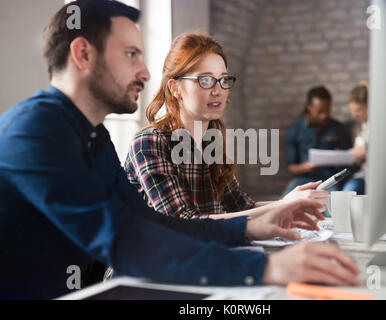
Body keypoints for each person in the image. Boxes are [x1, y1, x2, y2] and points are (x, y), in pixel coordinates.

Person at [0, 0, 360, 299]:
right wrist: (267, 266)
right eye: (130, 55)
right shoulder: (34, 132)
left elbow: (155, 223)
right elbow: (129, 239)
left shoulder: (94, 137)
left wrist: (252, 228)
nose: (144, 71)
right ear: (82, 54)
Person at [124, 32, 329, 221]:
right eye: (205, 80)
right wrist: (283, 206)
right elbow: (185, 223)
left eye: (223, 80)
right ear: (175, 88)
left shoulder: (210, 144)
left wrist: (293, 203)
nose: (218, 90)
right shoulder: (148, 143)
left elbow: (241, 207)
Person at [283, 86, 352, 197]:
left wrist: (339, 159)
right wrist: (306, 166)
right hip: (303, 179)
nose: (324, 115)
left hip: (329, 179)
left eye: (327, 111)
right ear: (309, 107)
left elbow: (348, 161)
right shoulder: (294, 129)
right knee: (285, 202)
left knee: (330, 205)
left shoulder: (339, 128)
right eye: (319, 112)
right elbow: (291, 167)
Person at [342, 82, 369, 195]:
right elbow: (358, 152)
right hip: (363, 173)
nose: (355, 114)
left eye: (358, 110)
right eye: (352, 110)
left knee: (348, 192)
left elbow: (361, 151)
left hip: (373, 176)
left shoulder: (378, 125)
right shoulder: (364, 125)